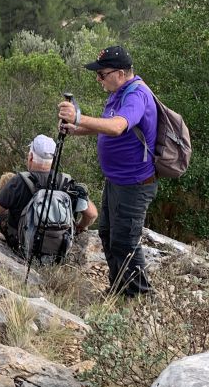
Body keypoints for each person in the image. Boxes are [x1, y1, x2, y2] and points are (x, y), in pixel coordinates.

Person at [58, 45, 157, 298]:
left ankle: (140, 299)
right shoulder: (118, 93)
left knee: (126, 242)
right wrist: (76, 129)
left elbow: (116, 126)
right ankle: (118, 290)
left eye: (102, 74)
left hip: (134, 184)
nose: (98, 79)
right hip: (116, 180)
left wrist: (78, 117)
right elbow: (104, 126)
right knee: (108, 234)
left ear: (121, 73)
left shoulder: (136, 96)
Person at [0, 134, 97, 254]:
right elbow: (91, 215)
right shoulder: (67, 182)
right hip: (59, 247)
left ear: (31, 157)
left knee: (4, 213)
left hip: (21, 245)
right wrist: (78, 227)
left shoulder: (19, 181)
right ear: (53, 160)